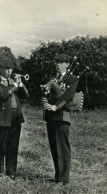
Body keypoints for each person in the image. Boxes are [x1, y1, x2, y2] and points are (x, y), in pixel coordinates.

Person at [42, 54, 82, 185]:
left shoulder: (73, 79)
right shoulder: (52, 78)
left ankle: (64, 179)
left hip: (63, 116)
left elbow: (68, 96)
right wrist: (45, 100)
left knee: (62, 148)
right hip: (51, 116)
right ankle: (58, 176)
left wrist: (55, 106)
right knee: (54, 146)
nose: (58, 64)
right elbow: (44, 93)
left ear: (67, 64)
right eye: (57, 62)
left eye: (61, 62)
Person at [0, 58, 29, 179]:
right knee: (1, 146)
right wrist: (14, 85)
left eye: (11, 68)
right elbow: (2, 95)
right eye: (6, 68)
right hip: (2, 118)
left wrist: (21, 85)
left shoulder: (14, 82)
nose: (9, 71)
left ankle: (11, 172)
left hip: (16, 118)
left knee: (13, 146)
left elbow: (26, 97)